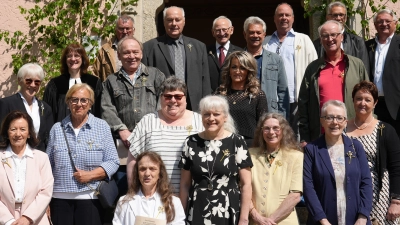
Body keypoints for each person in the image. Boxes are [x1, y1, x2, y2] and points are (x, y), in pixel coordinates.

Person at [46, 83, 119, 225]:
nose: (79, 104)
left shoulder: (101, 126)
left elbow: (113, 161)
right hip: (60, 199)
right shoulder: (57, 129)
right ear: (68, 103)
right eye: (74, 100)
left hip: (90, 198)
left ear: (90, 104)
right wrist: (46, 200)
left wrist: (90, 175)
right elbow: (47, 166)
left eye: (84, 100)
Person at [102, 36, 165, 195]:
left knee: (153, 189)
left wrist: (152, 127)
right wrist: (121, 130)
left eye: (135, 52)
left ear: (141, 54)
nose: (132, 56)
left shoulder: (156, 76)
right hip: (124, 146)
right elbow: (106, 108)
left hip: (152, 140)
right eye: (127, 52)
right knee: (126, 190)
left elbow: (164, 103)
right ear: (119, 55)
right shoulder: (111, 81)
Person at [179, 95, 252, 225]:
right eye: (206, 114)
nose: (211, 118)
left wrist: (244, 219)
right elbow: (185, 184)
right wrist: (181, 216)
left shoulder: (237, 142)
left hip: (228, 210)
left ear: (225, 117)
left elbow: (246, 184)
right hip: (197, 209)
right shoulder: (191, 142)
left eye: (216, 114)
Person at [126, 76, 203, 193]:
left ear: (185, 99)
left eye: (178, 96)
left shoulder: (200, 122)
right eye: (168, 96)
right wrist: (134, 192)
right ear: (161, 98)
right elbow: (133, 160)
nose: (173, 100)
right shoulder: (148, 121)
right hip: (154, 199)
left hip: (192, 199)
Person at [298, 20, 369, 145]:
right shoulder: (313, 69)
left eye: (333, 34)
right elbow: (303, 105)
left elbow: (369, 98)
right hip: (320, 136)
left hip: (352, 133)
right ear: (321, 40)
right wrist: (304, 138)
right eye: (325, 36)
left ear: (341, 37)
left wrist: (368, 127)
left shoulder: (356, 65)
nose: (329, 39)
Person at [303, 100, 372, 225]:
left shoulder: (356, 147)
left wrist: (362, 217)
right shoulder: (311, 150)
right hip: (323, 221)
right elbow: (308, 188)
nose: (335, 122)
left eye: (340, 118)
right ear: (321, 121)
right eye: (329, 117)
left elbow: (366, 182)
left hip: (356, 220)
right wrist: (322, 220)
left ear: (345, 122)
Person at [346, 81, 400, 224]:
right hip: (349, 190)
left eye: (367, 99)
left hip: (379, 193)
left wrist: (396, 201)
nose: (362, 103)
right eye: (358, 98)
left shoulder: (386, 130)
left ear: (375, 103)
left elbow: (396, 167)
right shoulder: (343, 128)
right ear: (353, 101)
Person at [263, 3, 317, 138]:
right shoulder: (266, 42)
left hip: (297, 100)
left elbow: (314, 69)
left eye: (287, 15)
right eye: (280, 15)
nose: (284, 18)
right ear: (274, 19)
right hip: (273, 101)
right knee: (274, 136)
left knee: (296, 138)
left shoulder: (303, 39)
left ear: (293, 18)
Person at [142, 6, 211, 111]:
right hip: (164, 105)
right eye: (169, 20)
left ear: (184, 21)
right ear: (164, 22)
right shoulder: (149, 47)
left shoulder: (199, 47)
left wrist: (207, 106)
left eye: (177, 20)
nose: (174, 23)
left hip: (193, 106)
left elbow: (205, 81)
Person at [0, 111, 54, 225]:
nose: (18, 134)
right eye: (13, 129)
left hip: (36, 220)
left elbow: (46, 191)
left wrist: (27, 218)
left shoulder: (42, 158)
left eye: (23, 129)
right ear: (7, 132)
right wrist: (9, 221)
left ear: (29, 133)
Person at [249, 112, 303, 225]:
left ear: (283, 131)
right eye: (266, 128)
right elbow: (243, 190)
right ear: (261, 131)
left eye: (276, 128)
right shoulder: (250, 155)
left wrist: (270, 221)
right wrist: (257, 217)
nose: (271, 132)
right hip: (254, 222)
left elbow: (295, 195)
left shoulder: (296, 156)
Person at [113, 151, 185, 225]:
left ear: (160, 174)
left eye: (152, 169)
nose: (147, 173)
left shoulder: (174, 203)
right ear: (137, 173)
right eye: (142, 169)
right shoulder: (124, 202)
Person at [215, 51, 267, 147]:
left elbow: (263, 125)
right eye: (234, 67)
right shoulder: (219, 93)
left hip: (250, 146)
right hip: (224, 144)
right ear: (229, 70)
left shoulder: (258, 95)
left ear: (248, 71)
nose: (237, 71)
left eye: (242, 68)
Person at [243, 16, 289, 119]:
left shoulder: (275, 59)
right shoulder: (238, 58)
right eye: (251, 32)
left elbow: (283, 91)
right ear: (245, 34)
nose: (255, 35)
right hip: (244, 112)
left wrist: (282, 118)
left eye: (259, 33)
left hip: (269, 112)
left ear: (264, 35)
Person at [0, 63, 54, 151]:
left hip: (38, 158)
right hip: (13, 156)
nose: (33, 85)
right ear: (19, 81)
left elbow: (49, 138)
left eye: (37, 82)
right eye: (28, 81)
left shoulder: (45, 107)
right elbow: (1, 134)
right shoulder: (6, 103)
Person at [43, 43, 102, 122]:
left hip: (89, 130)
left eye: (77, 55)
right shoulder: (55, 84)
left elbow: (99, 111)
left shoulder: (94, 82)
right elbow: (48, 113)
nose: (73, 59)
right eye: (69, 56)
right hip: (63, 130)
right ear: (65, 60)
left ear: (82, 59)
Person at [365, 9, 400, 136]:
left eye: (387, 21)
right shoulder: (367, 46)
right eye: (380, 21)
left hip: (396, 105)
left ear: (395, 23)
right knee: (378, 141)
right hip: (374, 105)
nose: (383, 24)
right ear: (375, 25)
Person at [313, 1, 370, 74]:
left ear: (346, 18)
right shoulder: (317, 44)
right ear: (327, 17)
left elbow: (364, 71)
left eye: (341, 15)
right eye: (335, 15)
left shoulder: (357, 42)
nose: (338, 18)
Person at [93, 15, 135, 82]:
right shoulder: (104, 51)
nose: (124, 32)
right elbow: (96, 75)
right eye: (121, 29)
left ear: (133, 30)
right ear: (116, 30)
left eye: (127, 28)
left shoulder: (140, 50)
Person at [207, 16, 243, 92]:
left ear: (231, 30)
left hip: (232, 96)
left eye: (224, 29)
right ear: (213, 32)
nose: (222, 33)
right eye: (218, 30)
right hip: (210, 98)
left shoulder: (240, 52)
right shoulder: (205, 51)